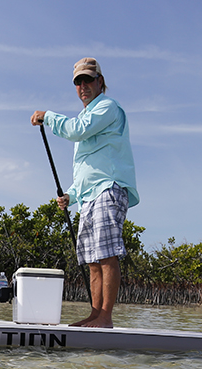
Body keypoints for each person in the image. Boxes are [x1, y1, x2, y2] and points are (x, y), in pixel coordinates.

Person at [31, 57, 138, 328]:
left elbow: (76, 131)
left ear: (100, 82)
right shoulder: (87, 117)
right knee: (91, 260)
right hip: (89, 196)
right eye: (78, 81)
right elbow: (84, 170)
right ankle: (94, 314)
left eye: (88, 80)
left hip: (109, 188)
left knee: (105, 255)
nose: (83, 86)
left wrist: (48, 116)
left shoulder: (107, 107)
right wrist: (71, 196)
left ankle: (105, 317)